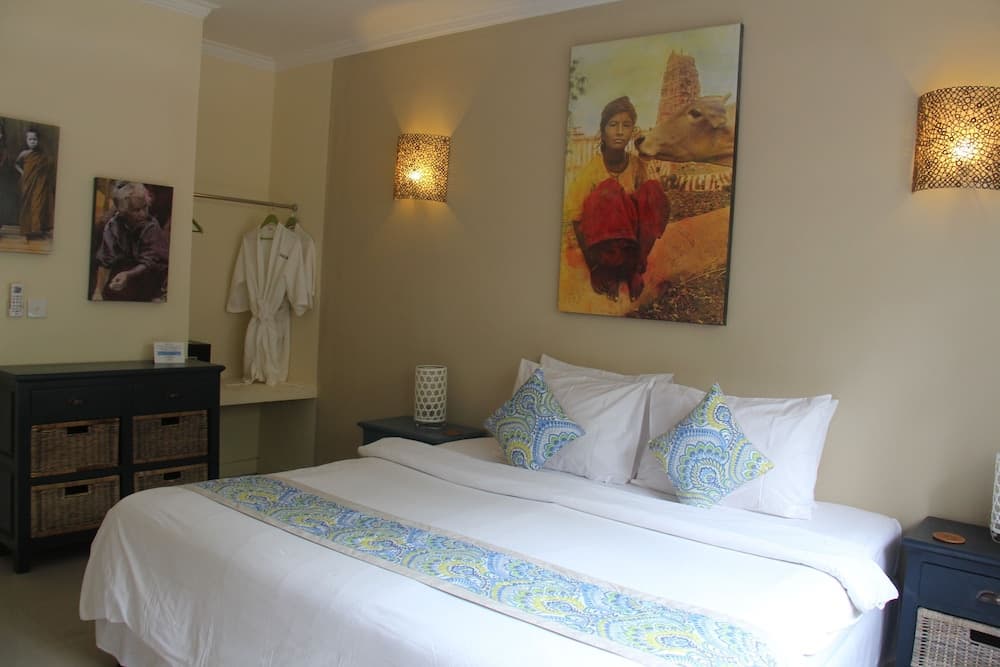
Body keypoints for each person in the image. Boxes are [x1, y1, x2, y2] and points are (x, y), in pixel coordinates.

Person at [562, 96, 669, 301]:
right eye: (613, 125)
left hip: (632, 245)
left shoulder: (637, 166)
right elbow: (576, 219)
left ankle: (634, 270)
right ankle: (609, 272)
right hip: (603, 248)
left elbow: (649, 210)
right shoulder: (592, 170)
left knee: (653, 191)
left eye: (626, 125)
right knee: (609, 191)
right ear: (603, 131)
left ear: (632, 131)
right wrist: (594, 267)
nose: (620, 131)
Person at [91, 181, 169, 302]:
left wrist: (128, 274)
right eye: (136, 210)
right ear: (122, 211)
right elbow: (106, 260)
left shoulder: (151, 226)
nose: (143, 214)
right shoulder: (114, 225)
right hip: (129, 274)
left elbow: (150, 262)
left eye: (145, 207)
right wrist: (98, 292)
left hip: (153, 277)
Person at [14, 127, 56, 239]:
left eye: (35, 139)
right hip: (27, 183)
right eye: (30, 139)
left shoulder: (42, 155)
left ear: (38, 140)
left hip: (39, 183)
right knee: (27, 205)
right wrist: (23, 173)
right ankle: (28, 229)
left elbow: (47, 168)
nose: (32, 142)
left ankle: (36, 230)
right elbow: (16, 164)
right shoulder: (24, 153)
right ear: (26, 140)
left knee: (37, 204)